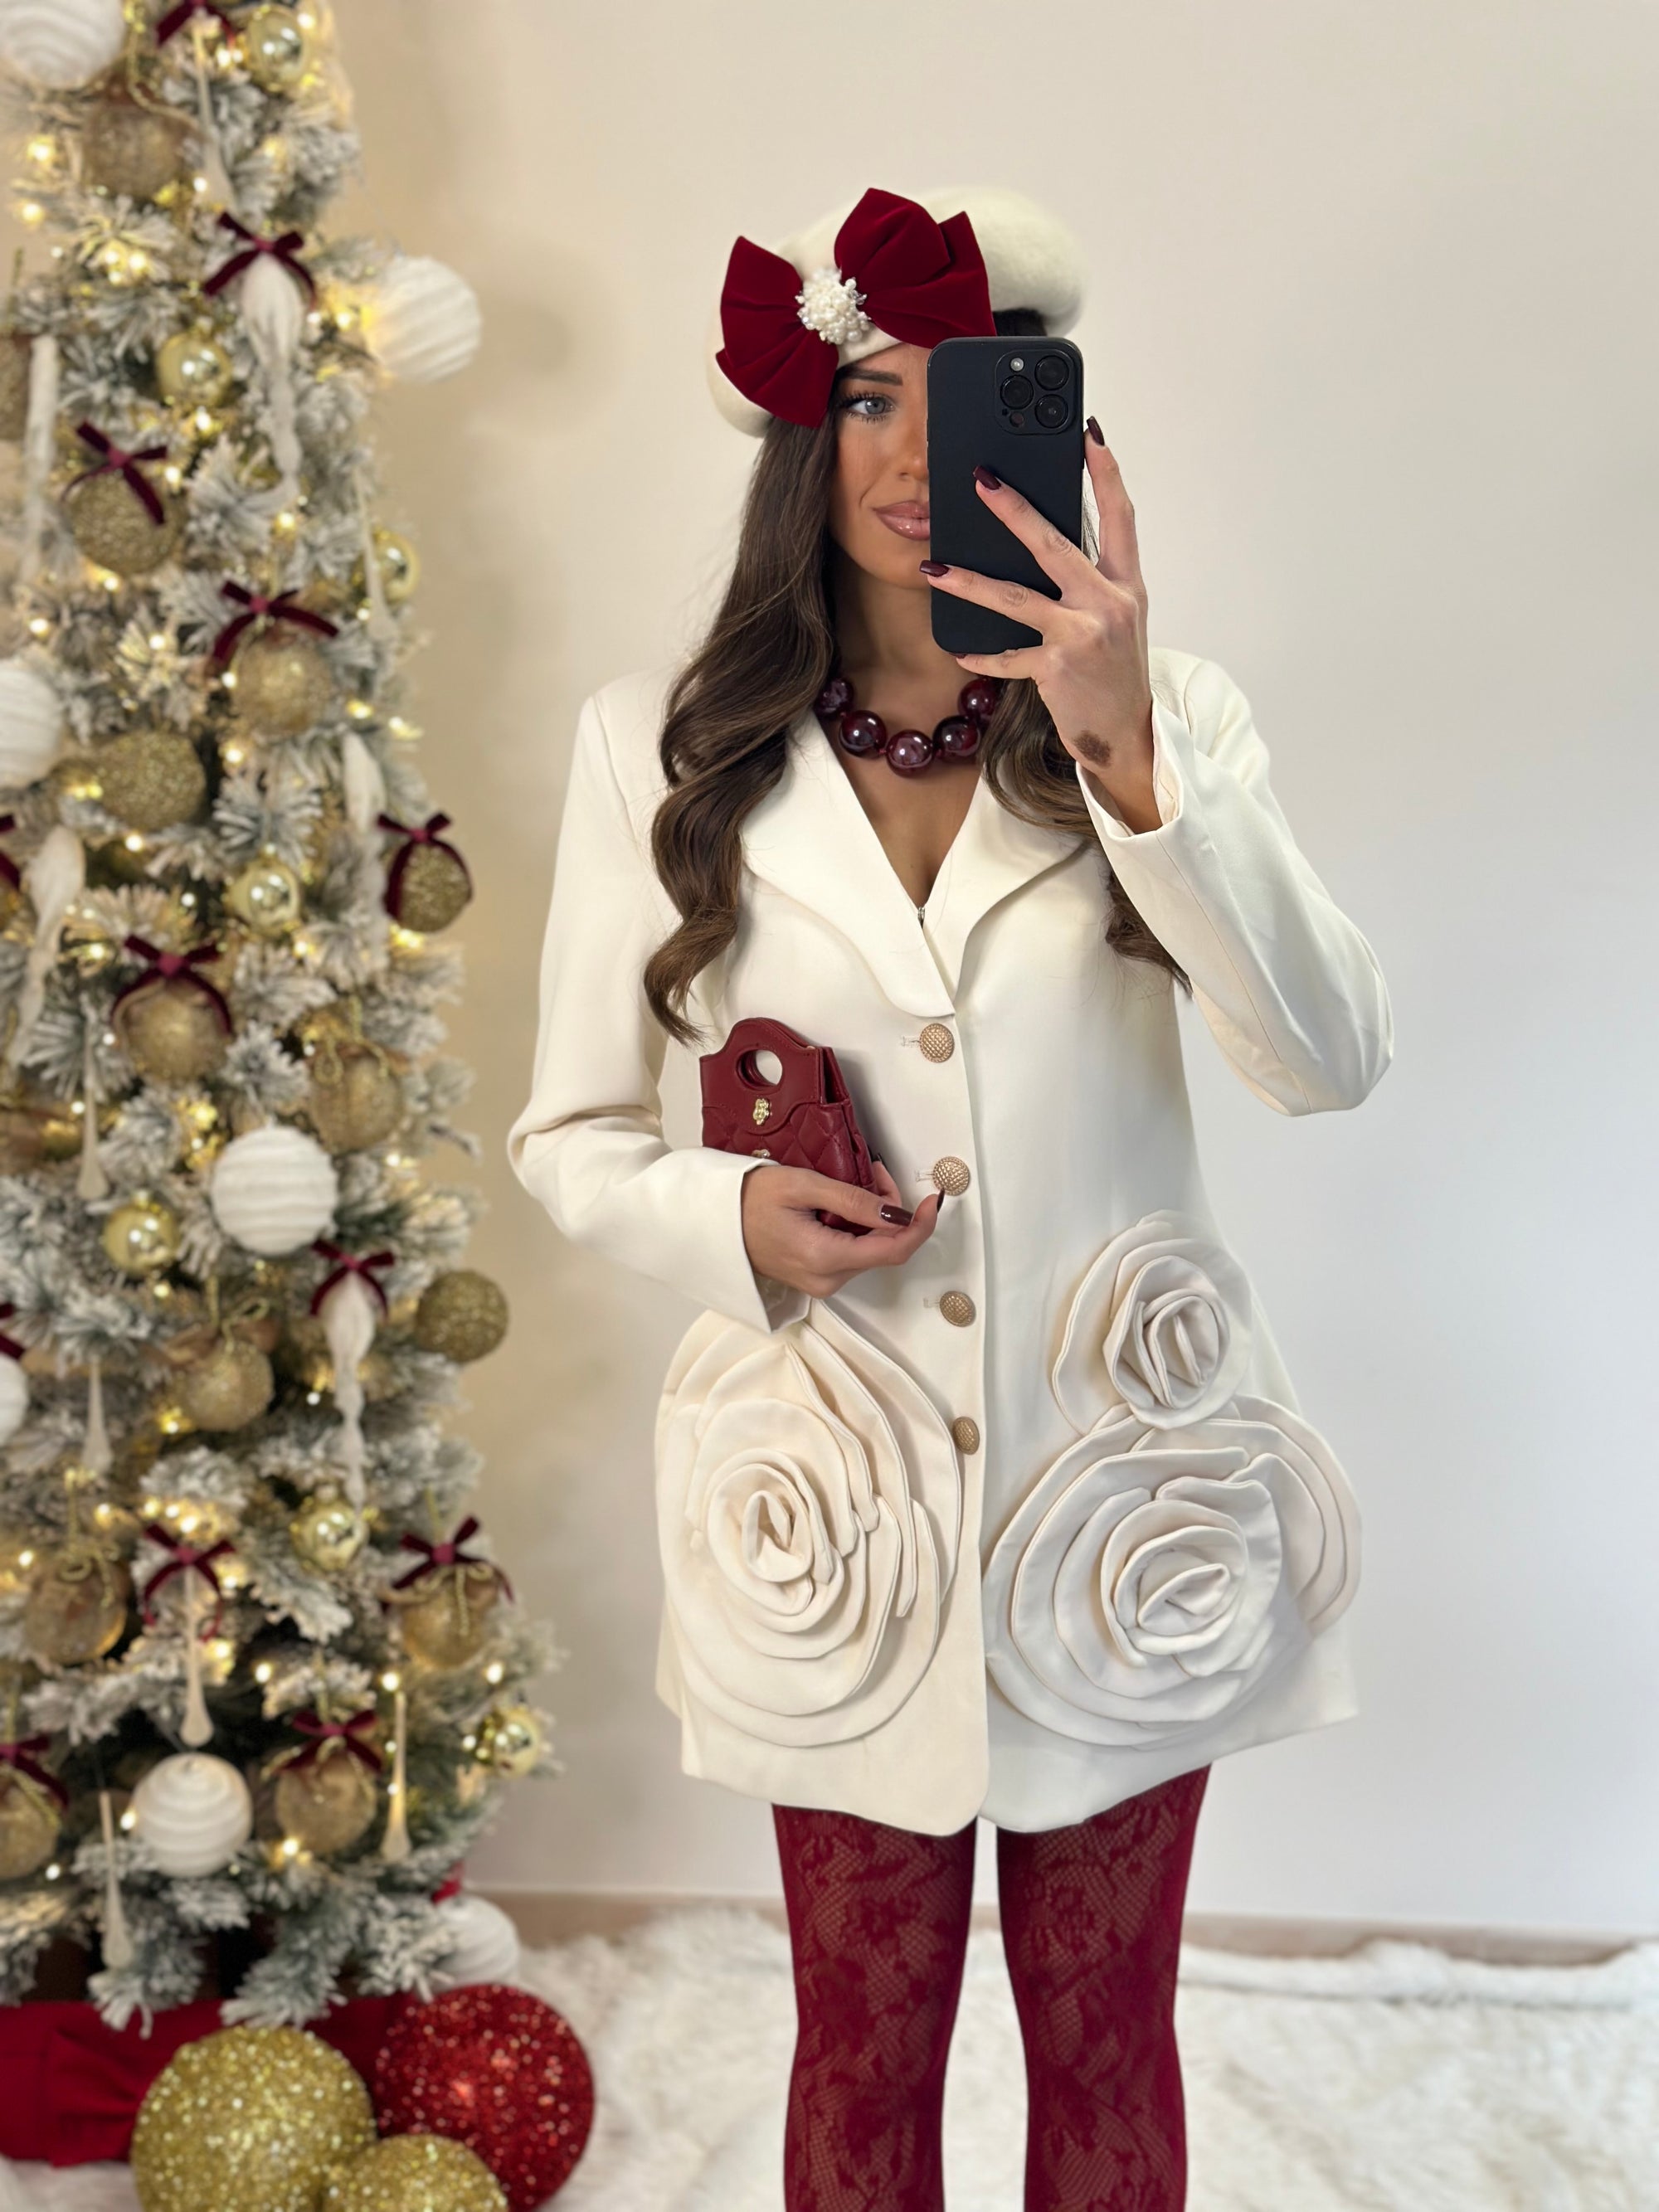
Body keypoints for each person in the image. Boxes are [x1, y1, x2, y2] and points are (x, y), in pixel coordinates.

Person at [509, 182, 1393, 2212]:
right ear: (805, 439)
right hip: (836, 1518)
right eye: (870, 399)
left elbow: (1329, 1057)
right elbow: (571, 1134)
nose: (916, 456)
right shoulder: (659, 745)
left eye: (970, 395)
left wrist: (1127, 741)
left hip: (1118, 1511)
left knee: (1107, 2041)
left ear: (1060, 431)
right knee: (860, 2040)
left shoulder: (1172, 722)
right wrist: (729, 1220)